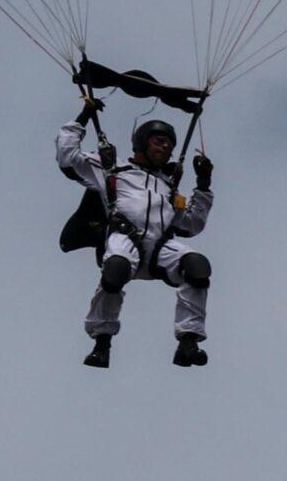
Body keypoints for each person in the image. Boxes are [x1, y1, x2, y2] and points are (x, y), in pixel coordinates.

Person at [56, 97, 215, 368]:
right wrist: (83, 116)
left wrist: (203, 184)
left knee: (198, 267)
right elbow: (67, 156)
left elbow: (191, 224)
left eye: (169, 144)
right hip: (124, 239)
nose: (165, 147)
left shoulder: (168, 186)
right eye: (159, 141)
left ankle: (188, 341)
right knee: (115, 270)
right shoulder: (113, 170)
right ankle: (101, 343)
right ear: (142, 143)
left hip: (161, 249)